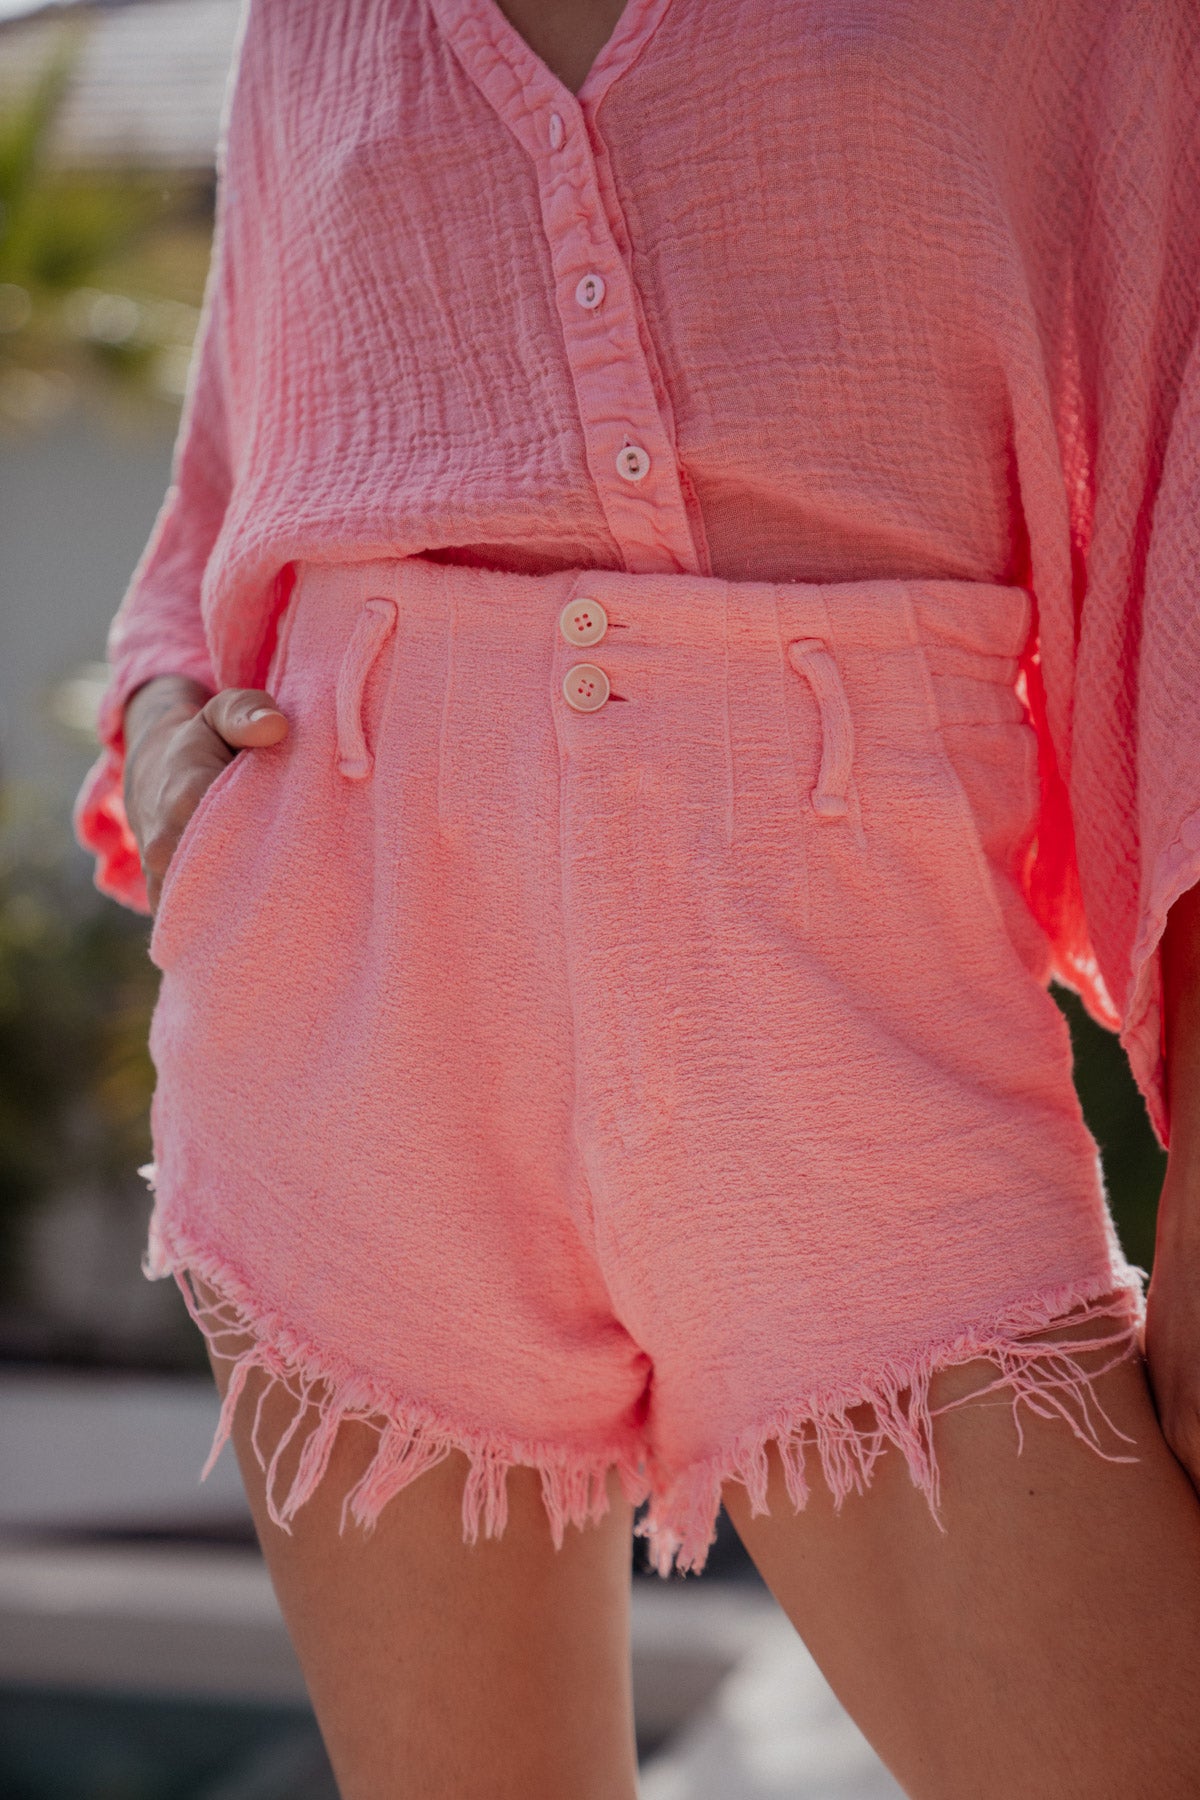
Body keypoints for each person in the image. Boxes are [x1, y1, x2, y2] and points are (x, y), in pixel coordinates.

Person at [74, 2, 1200, 1794]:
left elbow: (1171, 468)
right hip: (354, 1013)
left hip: (847, 1027)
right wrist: (157, 726)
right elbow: (235, 466)